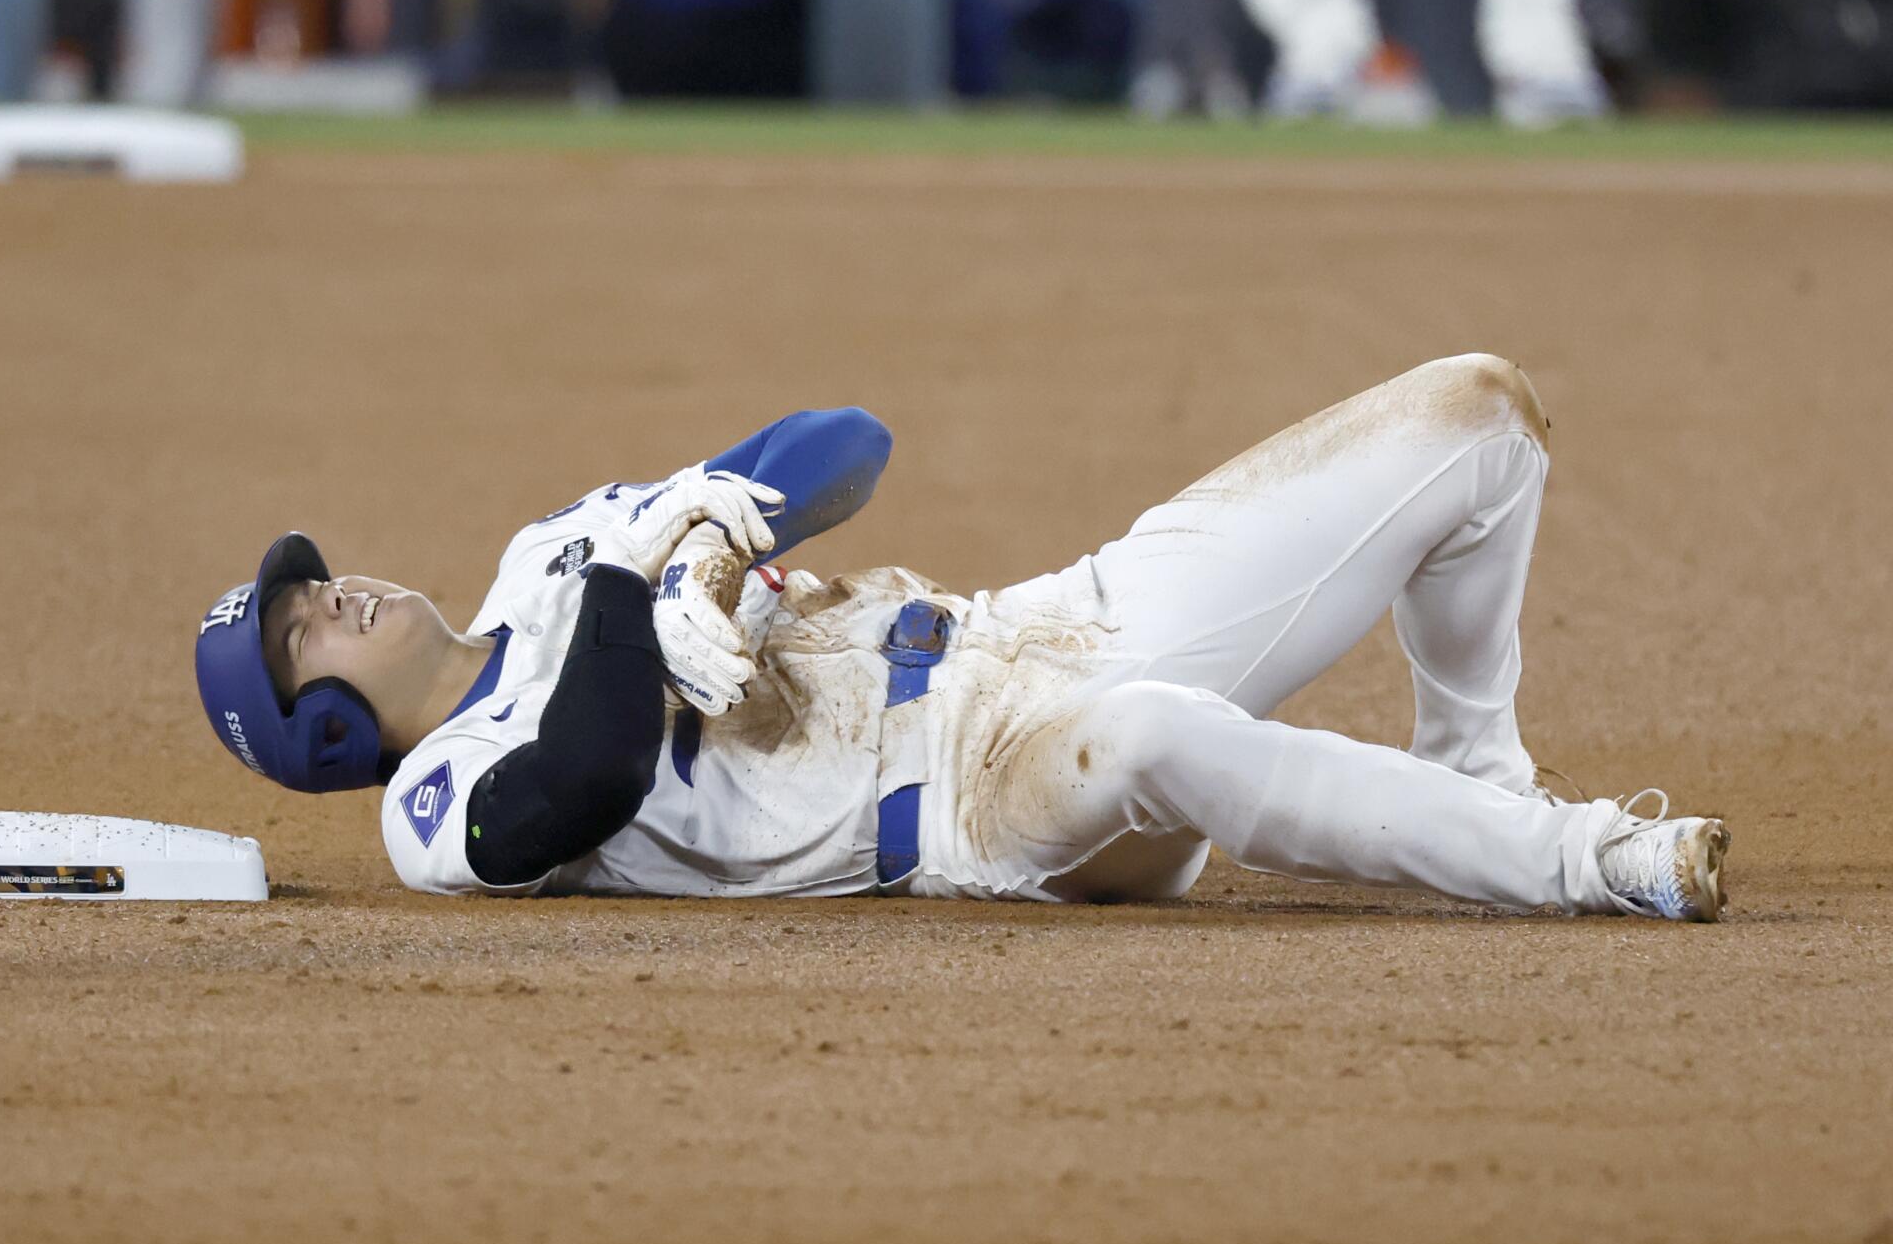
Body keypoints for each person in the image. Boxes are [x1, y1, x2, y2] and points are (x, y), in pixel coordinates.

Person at [195, 356, 1728, 919]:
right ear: (325, 733)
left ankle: (1481, 766)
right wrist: (635, 580)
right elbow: (584, 777)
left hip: (1040, 623)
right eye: (300, 633)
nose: (333, 596)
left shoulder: (549, 547)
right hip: (987, 800)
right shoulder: (433, 807)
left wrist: (727, 526)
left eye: (310, 582)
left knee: (1478, 418)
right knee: (1157, 741)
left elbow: (845, 438)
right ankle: (1586, 860)